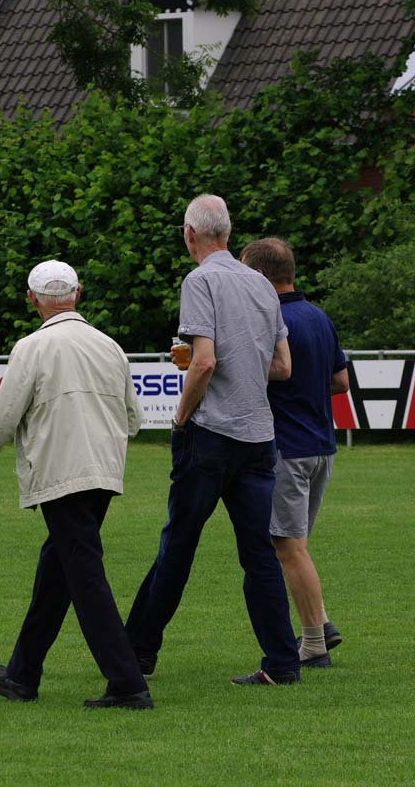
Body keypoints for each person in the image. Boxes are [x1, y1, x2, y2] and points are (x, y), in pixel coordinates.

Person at [0, 259, 152, 710]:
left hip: (61, 475)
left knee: (85, 578)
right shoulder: (110, 346)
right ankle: (22, 675)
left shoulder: (32, 348)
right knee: (58, 572)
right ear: (77, 294)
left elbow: (0, 419)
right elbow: (133, 419)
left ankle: (128, 684)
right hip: (104, 473)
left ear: (32, 299)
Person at [124, 194, 302, 686]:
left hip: (211, 435)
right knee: (260, 555)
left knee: (178, 546)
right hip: (258, 436)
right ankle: (282, 663)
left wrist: (181, 418)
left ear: (189, 234)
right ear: (228, 231)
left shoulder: (199, 281)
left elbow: (203, 362)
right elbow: (282, 366)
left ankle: (136, 652)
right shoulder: (262, 284)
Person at [240, 237, 349, 667]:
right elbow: (341, 381)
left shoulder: (271, 319)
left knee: (287, 547)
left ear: (261, 276)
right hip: (322, 446)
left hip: (287, 449)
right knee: (294, 545)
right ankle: (322, 622)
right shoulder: (319, 316)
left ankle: (314, 644)